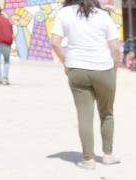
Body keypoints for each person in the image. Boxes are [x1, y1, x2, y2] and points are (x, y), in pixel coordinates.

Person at [49, 0, 121, 170]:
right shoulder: (103, 15)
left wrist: (66, 62)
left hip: (77, 69)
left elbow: (54, 43)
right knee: (107, 114)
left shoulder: (64, 13)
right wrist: (114, 67)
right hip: (103, 69)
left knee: (84, 116)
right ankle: (108, 155)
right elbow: (115, 48)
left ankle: (88, 160)